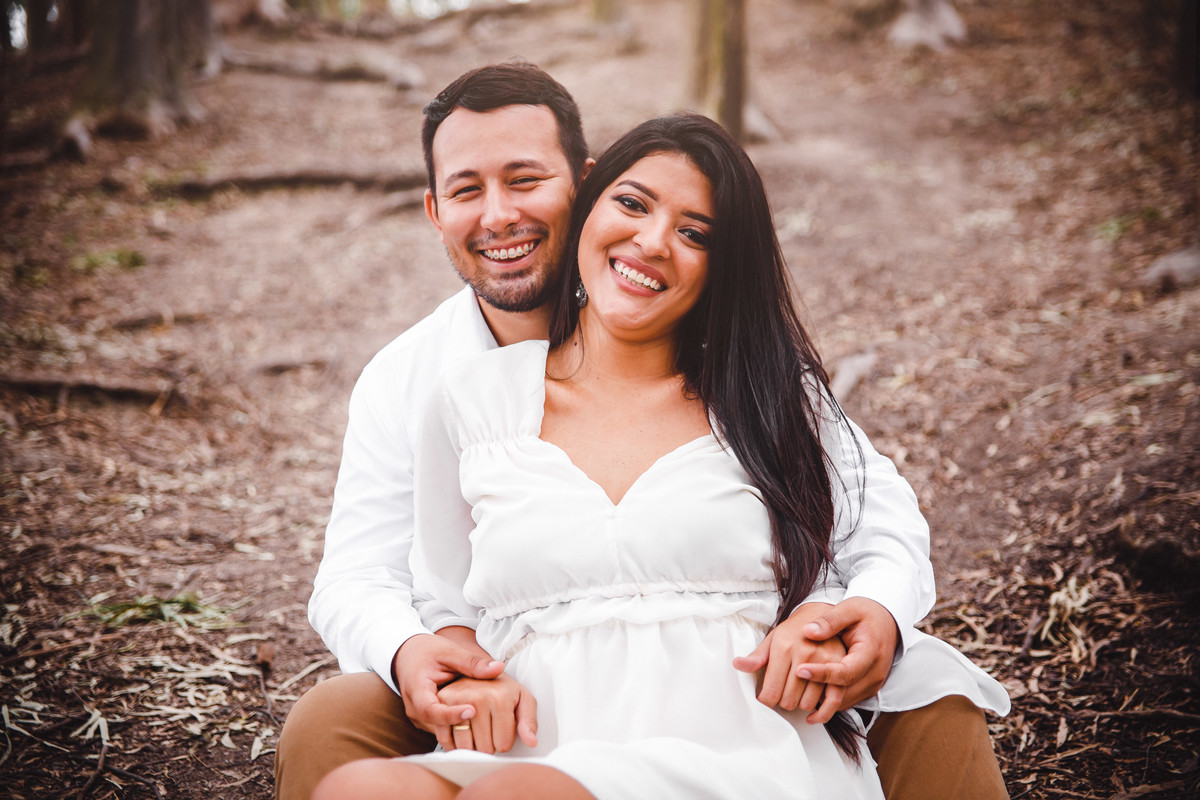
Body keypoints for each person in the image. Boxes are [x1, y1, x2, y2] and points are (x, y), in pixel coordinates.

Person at [276, 62, 1009, 800]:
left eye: (524, 180)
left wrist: (861, 611)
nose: (498, 215)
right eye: (468, 189)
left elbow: (876, 521)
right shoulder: (428, 383)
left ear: (581, 185)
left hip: (728, 722)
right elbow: (381, 580)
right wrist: (423, 652)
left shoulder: (747, 384)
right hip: (536, 713)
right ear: (435, 211)